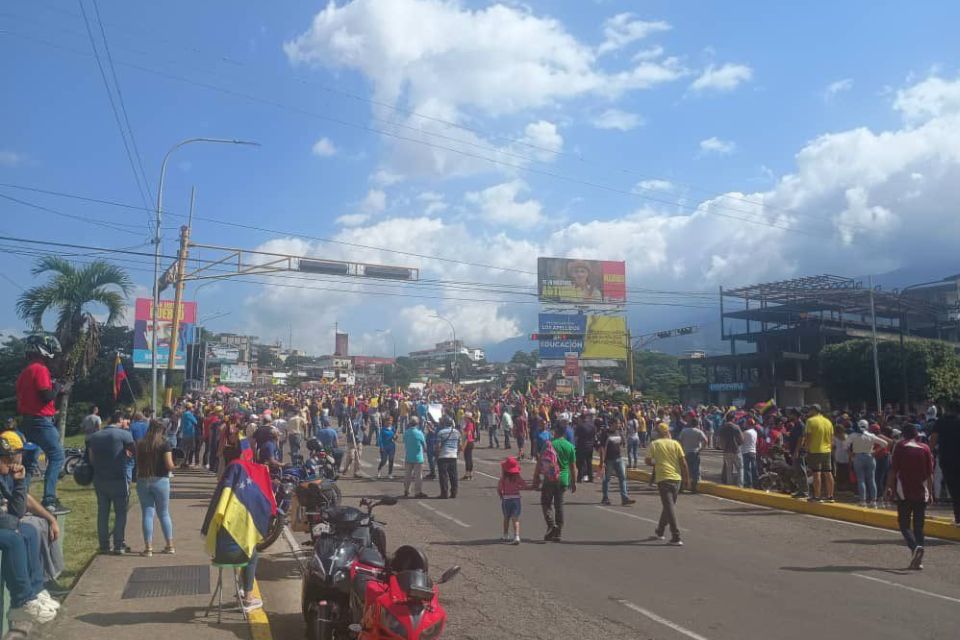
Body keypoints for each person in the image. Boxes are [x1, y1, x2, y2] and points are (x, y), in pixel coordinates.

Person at [0, 432, 60, 624]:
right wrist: (12, 522)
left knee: (30, 531)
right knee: (14, 538)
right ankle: (21, 602)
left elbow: (16, 510)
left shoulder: (6, 476)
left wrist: (18, 481)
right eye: (10, 459)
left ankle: (35, 591)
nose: (14, 463)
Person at [16, 335, 68, 514]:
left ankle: (21, 499)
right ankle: (49, 500)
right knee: (57, 456)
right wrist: (58, 387)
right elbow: (46, 396)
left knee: (29, 463)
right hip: (41, 421)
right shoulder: (40, 369)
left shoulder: (25, 372)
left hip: (28, 421)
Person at [886, 423, 935, 570]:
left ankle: (914, 548)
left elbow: (894, 470)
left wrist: (889, 488)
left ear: (903, 434)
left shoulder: (900, 447)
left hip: (904, 492)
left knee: (904, 525)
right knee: (919, 527)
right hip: (922, 492)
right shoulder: (925, 448)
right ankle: (918, 558)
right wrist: (931, 493)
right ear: (916, 434)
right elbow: (930, 475)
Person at [87, 409, 135, 554]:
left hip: (100, 478)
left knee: (103, 513)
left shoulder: (94, 437)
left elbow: (91, 458)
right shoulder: (125, 435)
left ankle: (104, 545)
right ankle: (119, 544)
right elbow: (133, 453)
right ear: (120, 420)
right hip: (118, 478)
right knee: (121, 512)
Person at [135, 419, 176, 556]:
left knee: (147, 513)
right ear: (162, 430)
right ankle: (169, 545)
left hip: (143, 479)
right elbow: (169, 465)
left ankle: (148, 548)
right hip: (161, 481)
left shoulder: (141, 444)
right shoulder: (165, 444)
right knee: (164, 513)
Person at [532, 420, 577, 542]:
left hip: (549, 478)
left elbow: (540, 461)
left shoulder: (549, 444)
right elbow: (573, 467)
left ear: (555, 431)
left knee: (546, 502)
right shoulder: (570, 446)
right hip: (563, 479)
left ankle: (551, 524)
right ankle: (558, 533)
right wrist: (573, 482)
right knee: (559, 505)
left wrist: (536, 476)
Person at [645, 424, 689, 546]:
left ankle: (676, 536)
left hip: (663, 478)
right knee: (668, 506)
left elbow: (648, 461)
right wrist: (686, 478)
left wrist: (657, 461)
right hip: (676, 479)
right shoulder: (675, 444)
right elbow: (683, 462)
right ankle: (660, 530)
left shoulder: (655, 444)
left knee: (669, 507)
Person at [929, 402, 960, 526]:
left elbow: (933, 439)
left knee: (954, 489)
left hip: (947, 459)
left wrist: (928, 452)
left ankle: (958, 518)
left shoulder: (940, 421)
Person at [847, 419, 891, 508]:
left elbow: (845, 445)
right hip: (869, 456)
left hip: (858, 457)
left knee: (861, 480)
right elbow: (885, 444)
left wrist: (850, 454)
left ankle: (863, 500)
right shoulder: (871, 436)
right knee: (871, 480)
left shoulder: (853, 436)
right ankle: (873, 501)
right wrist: (875, 451)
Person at [802, 405, 835, 503]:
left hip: (815, 450)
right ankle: (830, 496)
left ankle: (817, 496)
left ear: (814, 410)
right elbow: (831, 438)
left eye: (810, 410)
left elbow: (808, 436)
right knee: (828, 473)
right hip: (827, 450)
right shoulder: (828, 422)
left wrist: (806, 449)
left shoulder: (810, 421)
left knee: (816, 473)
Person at [599, 422, 634, 506]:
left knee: (622, 478)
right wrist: (602, 461)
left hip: (619, 458)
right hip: (609, 459)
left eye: (619, 424)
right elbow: (602, 448)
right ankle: (605, 497)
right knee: (607, 479)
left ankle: (624, 498)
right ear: (612, 424)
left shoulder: (618, 432)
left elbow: (622, 443)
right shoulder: (605, 433)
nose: (619, 425)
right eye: (617, 424)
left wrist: (623, 437)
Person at [498, 456, 527, 545]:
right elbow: (524, 485)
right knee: (515, 519)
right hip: (516, 499)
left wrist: (501, 495)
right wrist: (519, 487)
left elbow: (499, 489)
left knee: (506, 517)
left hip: (506, 499)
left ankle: (505, 534)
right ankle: (516, 536)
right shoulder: (517, 477)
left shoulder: (503, 478)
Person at [678, 416, 708, 493]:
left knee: (684, 469)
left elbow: (679, 440)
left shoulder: (684, 431)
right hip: (695, 452)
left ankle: (682, 487)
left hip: (685, 452)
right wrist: (701, 449)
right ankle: (693, 488)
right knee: (695, 471)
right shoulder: (699, 432)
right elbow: (705, 440)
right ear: (697, 424)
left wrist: (682, 448)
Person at [435, 418, 461, 499]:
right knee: (453, 475)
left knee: (443, 476)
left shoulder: (441, 432)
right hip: (453, 456)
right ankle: (454, 492)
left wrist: (437, 455)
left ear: (444, 424)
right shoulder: (457, 432)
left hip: (443, 455)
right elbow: (459, 445)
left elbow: (438, 446)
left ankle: (444, 493)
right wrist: (457, 453)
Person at [402, 418, 428, 499]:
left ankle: (406, 490)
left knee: (407, 475)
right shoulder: (419, 433)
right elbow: (424, 446)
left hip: (408, 456)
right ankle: (417, 492)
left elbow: (404, 441)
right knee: (418, 476)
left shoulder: (406, 433)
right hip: (418, 457)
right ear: (417, 424)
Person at [716, 412, 743, 487]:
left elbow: (719, 440)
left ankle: (729, 485)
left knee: (728, 470)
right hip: (735, 450)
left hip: (726, 451)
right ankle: (740, 485)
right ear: (733, 418)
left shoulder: (722, 427)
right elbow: (741, 440)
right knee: (740, 468)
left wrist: (722, 447)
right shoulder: (736, 427)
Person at [573, 416, 596, 483]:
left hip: (581, 446)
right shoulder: (592, 426)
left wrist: (575, 446)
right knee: (589, 462)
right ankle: (591, 478)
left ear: (581, 419)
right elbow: (594, 435)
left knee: (580, 463)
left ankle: (579, 478)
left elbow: (576, 437)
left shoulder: (580, 426)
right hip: (590, 446)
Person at [741, 419, 760, 489]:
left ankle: (748, 484)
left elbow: (741, 441)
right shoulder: (755, 432)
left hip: (746, 451)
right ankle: (756, 483)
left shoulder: (745, 432)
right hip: (753, 451)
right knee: (754, 468)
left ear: (748, 424)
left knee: (747, 469)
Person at [179, 403, 198, 469]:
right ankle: (185, 462)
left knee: (184, 449)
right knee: (188, 449)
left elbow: (181, 424)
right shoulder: (189, 414)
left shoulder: (184, 414)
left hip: (184, 433)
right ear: (190, 408)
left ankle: (182, 462)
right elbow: (196, 422)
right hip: (190, 434)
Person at [461, 412, 477, 480]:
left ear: (468, 418)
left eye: (465, 417)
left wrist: (463, 446)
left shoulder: (469, 425)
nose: (464, 419)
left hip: (468, 443)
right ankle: (470, 474)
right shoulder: (471, 424)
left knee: (467, 459)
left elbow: (467, 436)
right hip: (471, 442)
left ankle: (467, 474)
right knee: (469, 458)